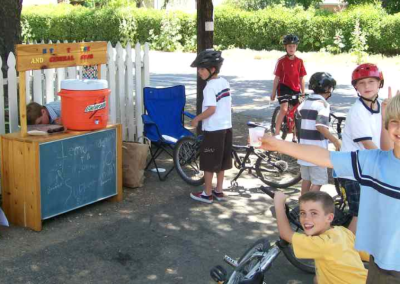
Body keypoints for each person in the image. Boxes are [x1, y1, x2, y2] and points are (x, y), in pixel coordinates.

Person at [261, 92, 400, 283]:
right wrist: (278, 144)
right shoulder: (374, 161)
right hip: (380, 266)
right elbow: (324, 156)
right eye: (395, 122)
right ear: (387, 124)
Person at [338, 63, 390, 234]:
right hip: (353, 171)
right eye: (362, 83)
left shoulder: (381, 106)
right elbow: (368, 144)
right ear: (356, 87)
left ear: (379, 84)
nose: (367, 86)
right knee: (360, 214)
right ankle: (346, 254)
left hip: (369, 168)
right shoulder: (357, 111)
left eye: (371, 82)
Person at [274, 190, 368, 284]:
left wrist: (278, 205)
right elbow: (366, 254)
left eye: (314, 213)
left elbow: (285, 234)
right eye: (303, 213)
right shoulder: (342, 231)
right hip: (365, 280)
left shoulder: (322, 243)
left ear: (329, 218)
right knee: (317, 279)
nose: (306, 218)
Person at [189, 50, 232, 204]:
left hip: (213, 130)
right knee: (221, 161)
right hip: (227, 128)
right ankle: (218, 190)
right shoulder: (224, 82)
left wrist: (197, 119)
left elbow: (211, 109)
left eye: (201, 69)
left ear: (212, 69)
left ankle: (207, 193)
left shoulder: (209, 87)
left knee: (208, 162)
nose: (199, 72)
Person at [297, 72, 341, 195]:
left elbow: (297, 124)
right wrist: (336, 141)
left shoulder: (304, 103)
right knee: (318, 181)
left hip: (303, 149)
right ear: (327, 89)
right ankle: (308, 204)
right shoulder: (323, 105)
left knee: (306, 179)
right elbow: (320, 126)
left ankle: (302, 204)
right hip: (317, 152)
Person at [271, 34, 307, 142]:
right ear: (285, 47)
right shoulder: (281, 61)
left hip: (295, 88)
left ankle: (295, 135)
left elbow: (301, 78)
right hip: (283, 87)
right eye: (289, 46)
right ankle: (276, 134)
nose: (292, 48)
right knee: (284, 109)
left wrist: (303, 92)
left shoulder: (299, 61)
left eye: (294, 46)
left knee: (296, 112)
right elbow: (277, 78)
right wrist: (273, 92)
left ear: (296, 47)